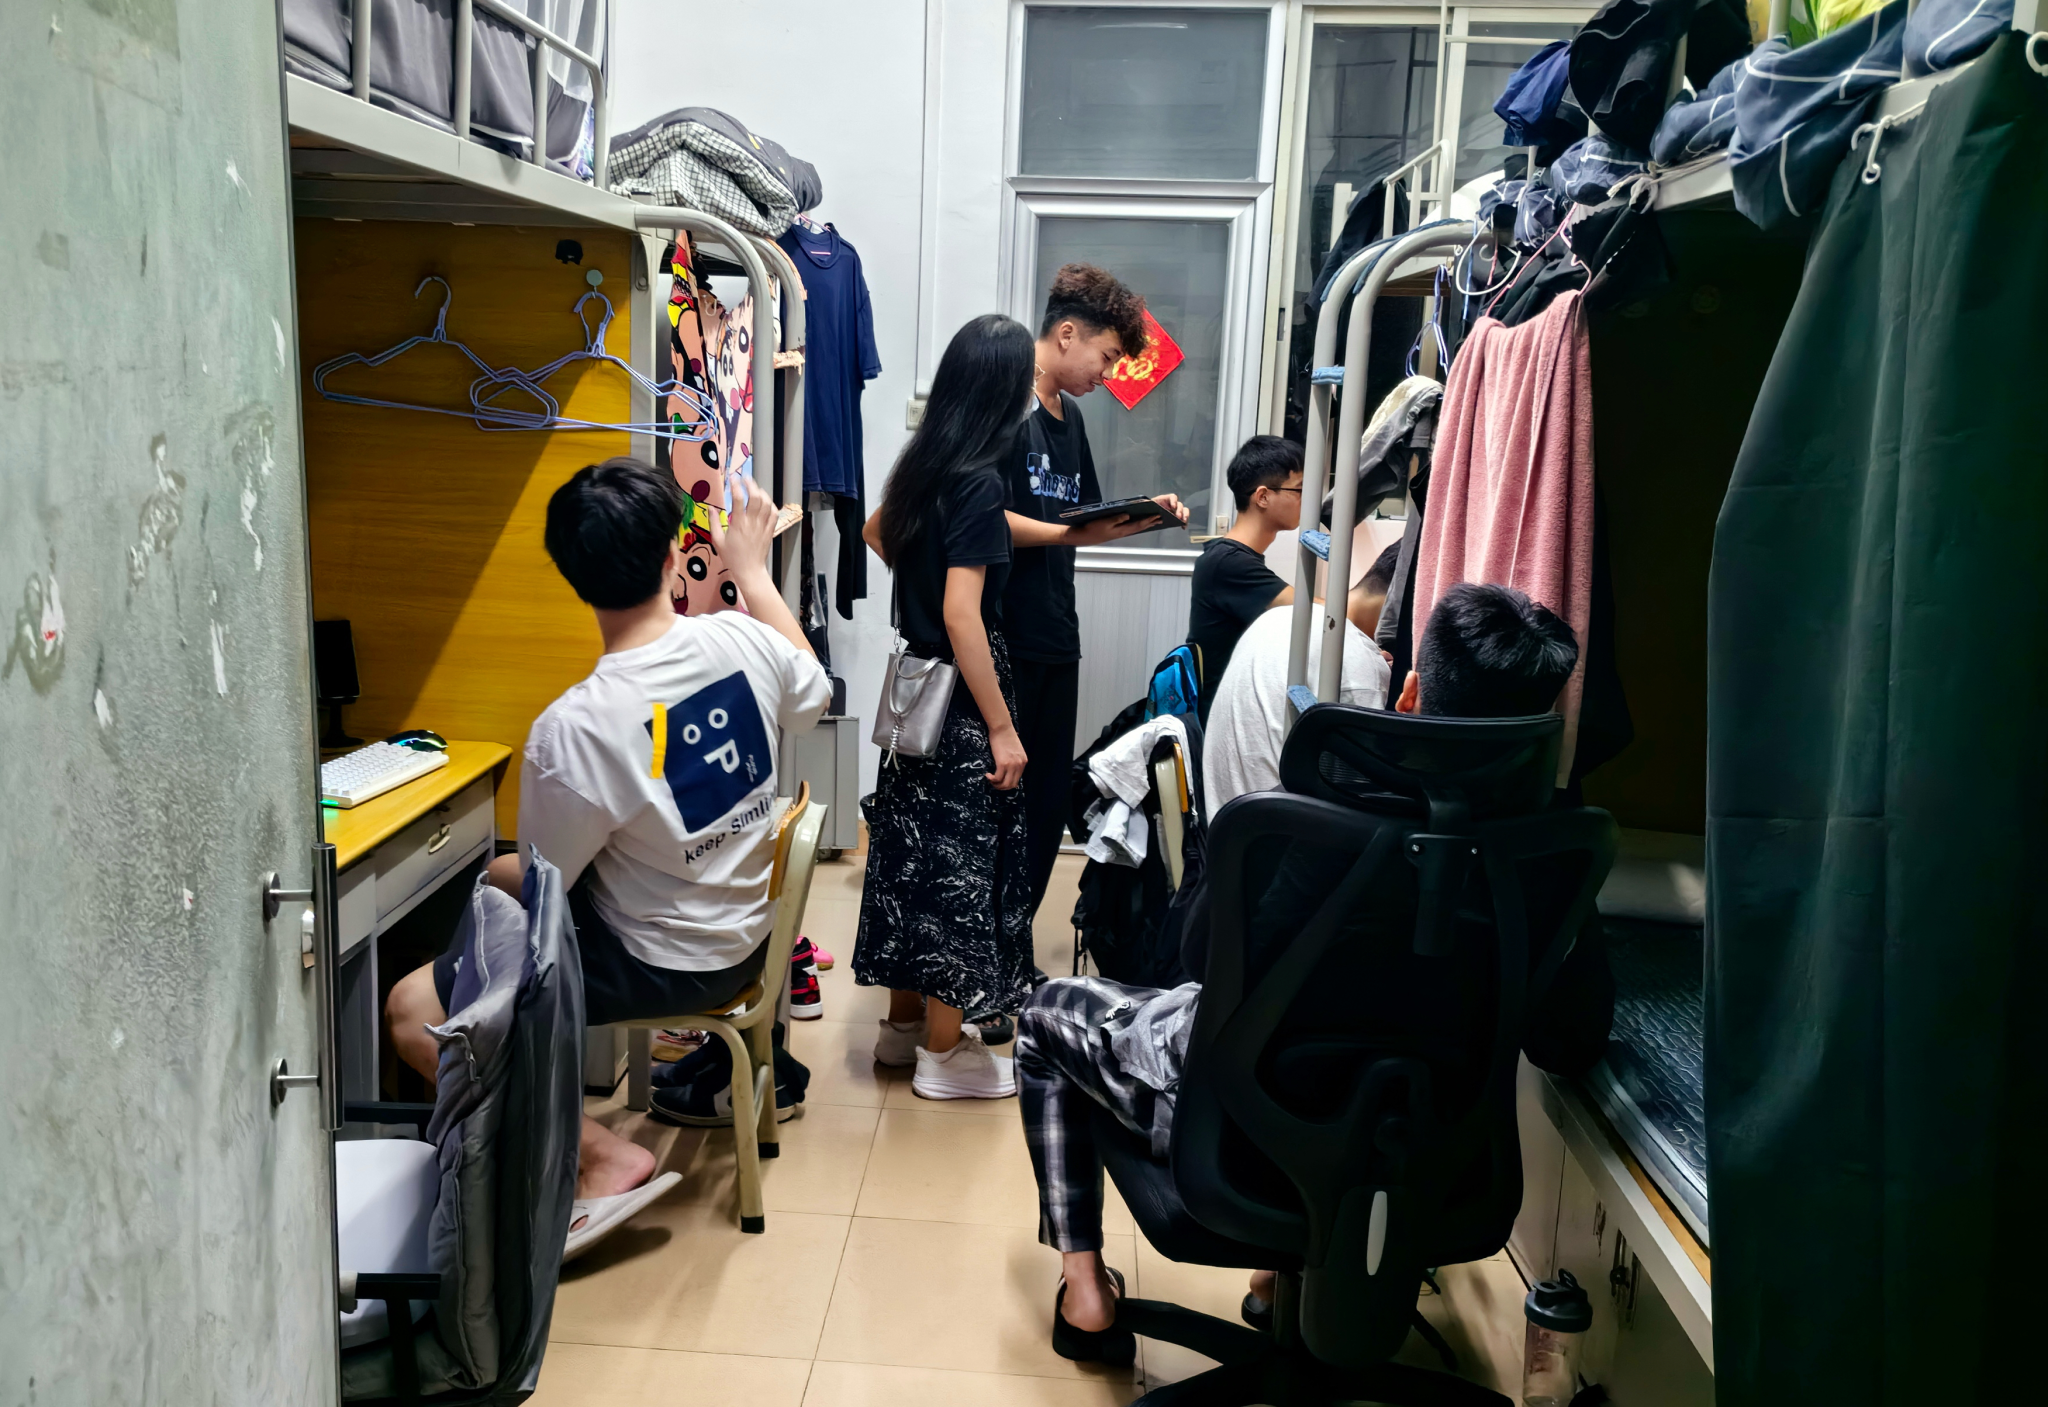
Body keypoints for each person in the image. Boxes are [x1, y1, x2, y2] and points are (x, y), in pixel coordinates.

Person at [1017, 582, 1605, 1364]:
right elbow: (1571, 1039)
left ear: (1410, 691)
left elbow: (1198, 961)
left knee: (1045, 1015)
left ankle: (1087, 1298)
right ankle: (1274, 1282)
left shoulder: (1306, 819)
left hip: (1241, 1144)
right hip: (1438, 1162)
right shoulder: (1558, 851)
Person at [384, 457, 830, 1262]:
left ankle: (601, 1154)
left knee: (414, 1004)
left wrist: (491, 872)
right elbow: (814, 693)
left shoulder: (574, 727)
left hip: (671, 963)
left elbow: (548, 894)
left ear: (574, 580)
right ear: (674, 555)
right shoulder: (739, 637)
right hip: (753, 939)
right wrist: (754, 573)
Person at [853, 314, 1042, 1100]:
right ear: (1004, 390)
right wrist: (1002, 727)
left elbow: (876, 531)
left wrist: (923, 585)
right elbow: (966, 616)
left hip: (915, 688)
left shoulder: (925, 463)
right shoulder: (981, 480)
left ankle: (901, 1030)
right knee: (959, 870)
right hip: (962, 700)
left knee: (908, 856)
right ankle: (943, 1053)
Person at [1003, 263, 1188, 918]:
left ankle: (1015, 945)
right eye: (1105, 357)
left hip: (1058, 630)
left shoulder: (1070, 417)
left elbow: (1079, 522)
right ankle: (989, 955)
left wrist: (1143, 514)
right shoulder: (1004, 402)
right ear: (1067, 334)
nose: (1106, 375)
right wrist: (1061, 534)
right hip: (1005, 632)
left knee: (1048, 796)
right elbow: (976, 517)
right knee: (1002, 800)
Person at [1204, 541, 1402, 809]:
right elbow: (1367, 791)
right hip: (1277, 829)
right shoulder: (1355, 662)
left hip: (1228, 819)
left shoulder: (1277, 619)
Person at [1186, 436, 1302, 722]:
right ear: (1263, 497)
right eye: (1299, 490)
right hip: (1218, 722)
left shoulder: (1232, 557)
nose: (1308, 500)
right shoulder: (1229, 563)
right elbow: (1314, 611)